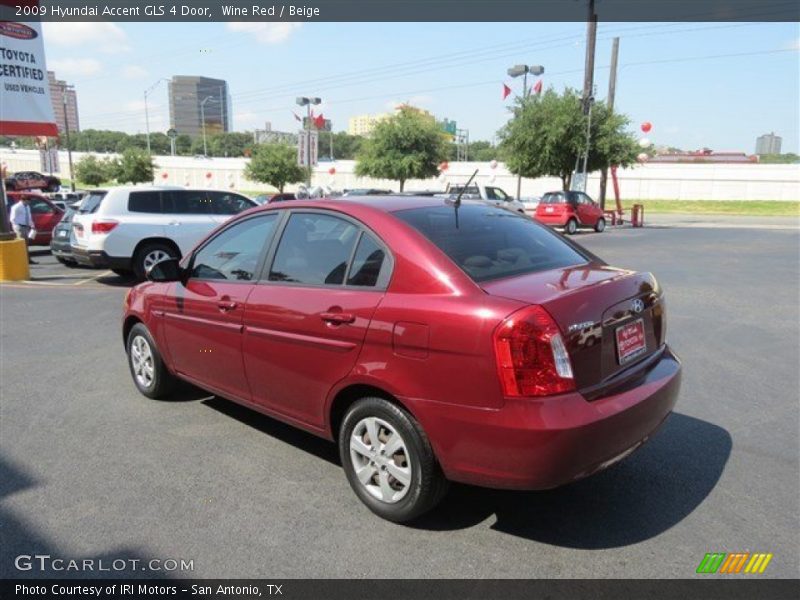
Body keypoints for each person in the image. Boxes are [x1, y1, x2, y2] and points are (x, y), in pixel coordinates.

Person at [9, 195, 37, 264]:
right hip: (19, 227)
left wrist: (32, 225)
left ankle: (27, 259)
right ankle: (21, 260)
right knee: (21, 244)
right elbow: (12, 219)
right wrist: (17, 227)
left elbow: (29, 217)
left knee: (26, 244)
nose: (29, 203)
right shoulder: (16, 207)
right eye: (28, 201)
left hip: (26, 227)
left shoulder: (27, 207)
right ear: (23, 200)